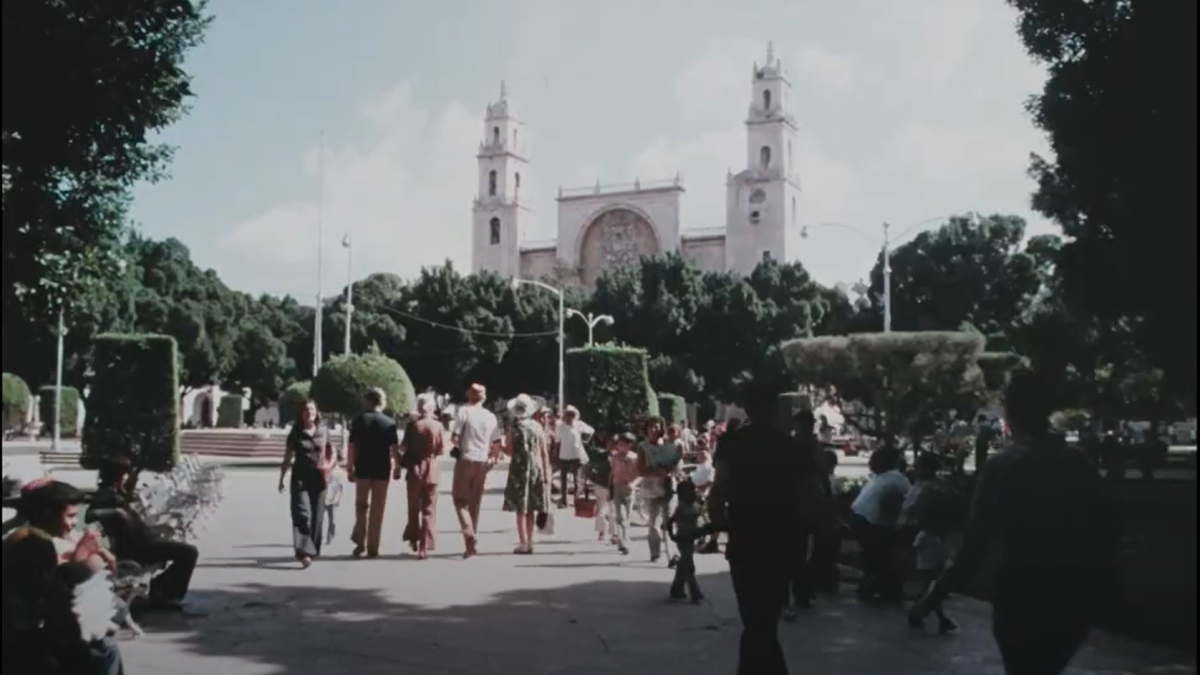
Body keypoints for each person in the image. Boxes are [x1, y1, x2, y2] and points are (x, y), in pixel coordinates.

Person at [911, 369, 1121, 675]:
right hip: (1074, 596)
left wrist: (932, 597)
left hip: (1022, 596)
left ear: (1010, 412)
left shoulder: (1003, 468)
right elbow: (1105, 532)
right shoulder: (1079, 464)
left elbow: (974, 548)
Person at [707, 381, 816, 675]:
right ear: (774, 408)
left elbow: (718, 491)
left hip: (744, 538)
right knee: (765, 618)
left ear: (747, 408)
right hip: (782, 540)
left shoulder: (732, 443)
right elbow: (808, 500)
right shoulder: (793, 447)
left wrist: (720, 526)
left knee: (754, 619)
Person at [3, 479, 126, 675]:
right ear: (47, 514)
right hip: (30, 638)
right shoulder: (33, 544)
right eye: (70, 516)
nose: (73, 524)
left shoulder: (33, 537)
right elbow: (48, 595)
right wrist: (81, 560)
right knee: (104, 650)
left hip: (37, 632)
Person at [87, 455, 198, 608]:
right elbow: (90, 514)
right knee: (189, 552)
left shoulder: (116, 493)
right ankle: (164, 592)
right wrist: (117, 512)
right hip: (138, 548)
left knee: (183, 548)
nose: (127, 478)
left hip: (142, 542)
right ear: (117, 475)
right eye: (125, 474)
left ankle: (162, 590)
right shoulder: (107, 495)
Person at [278, 398, 335, 568]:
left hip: (319, 478)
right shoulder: (295, 432)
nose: (309, 412)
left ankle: (313, 549)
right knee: (302, 514)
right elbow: (287, 456)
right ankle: (304, 552)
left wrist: (329, 466)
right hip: (300, 478)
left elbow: (332, 453)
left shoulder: (323, 431)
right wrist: (281, 478)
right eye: (306, 410)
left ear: (316, 413)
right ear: (301, 414)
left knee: (317, 517)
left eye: (312, 409)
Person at [849, 446, 912, 601]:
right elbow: (911, 501)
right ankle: (882, 584)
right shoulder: (896, 477)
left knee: (878, 554)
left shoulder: (881, 478)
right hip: (872, 524)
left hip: (858, 518)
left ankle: (878, 582)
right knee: (885, 554)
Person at [346, 387, 400, 558]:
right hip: (382, 470)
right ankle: (373, 547)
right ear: (382, 402)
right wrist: (398, 466)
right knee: (378, 508)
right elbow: (394, 449)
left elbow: (352, 446)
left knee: (361, 507)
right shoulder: (389, 423)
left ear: (368, 401)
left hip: (362, 468)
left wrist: (349, 467)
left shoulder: (359, 421)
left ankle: (360, 544)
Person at [451, 383, 502, 558]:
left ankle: (469, 535)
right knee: (475, 502)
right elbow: (496, 442)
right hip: (483, 461)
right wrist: (493, 458)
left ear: (468, 394)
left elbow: (455, 436)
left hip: (466, 458)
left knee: (460, 500)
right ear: (484, 397)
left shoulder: (463, 411)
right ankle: (472, 543)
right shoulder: (490, 416)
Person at [397, 393, 445, 559]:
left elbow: (403, 448)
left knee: (413, 508)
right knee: (429, 509)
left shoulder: (412, 426)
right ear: (432, 408)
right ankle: (424, 546)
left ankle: (413, 538)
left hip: (414, 470)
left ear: (418, 407)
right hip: (431, 469)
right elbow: (440, 450)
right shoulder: (438, 426)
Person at [502, 394, 551, 554]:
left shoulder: (515, 428)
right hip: (536, 468)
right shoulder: (537, 427)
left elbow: (509, 450)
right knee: (531, 507)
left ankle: (523, 542)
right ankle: (530, 541)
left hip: (519, 469)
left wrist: (501, 446)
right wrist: (546, 473)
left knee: (520, 508)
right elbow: (544, 452)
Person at [638, 417, 680, 563]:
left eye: (656, 427)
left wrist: (672, 472)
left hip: (667, 487)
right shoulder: (643, 447)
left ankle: (671, 554)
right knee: (653, 522)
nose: (654, 430)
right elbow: (641, 470)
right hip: (651, 488)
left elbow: (675, 465)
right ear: (647, 429)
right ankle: (655, 552)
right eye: (651, 427)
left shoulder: (668, 445)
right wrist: (656, 472)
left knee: (669, 522)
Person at [666, 479, 705, 603]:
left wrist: (702, 535)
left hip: (691, 537)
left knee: (684, 564)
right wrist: (671, 534)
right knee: (689, 566)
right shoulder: (681, 507)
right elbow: (670, 521)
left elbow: (702, 520)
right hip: (682, 538)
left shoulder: (695, 504)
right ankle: (695, 592)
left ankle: (676, 589)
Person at [608, 431, 641, 555]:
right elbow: (612, 474)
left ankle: (625, 538)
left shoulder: (634, 458)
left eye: (623, 444)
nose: (620, 446)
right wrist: (609, 489)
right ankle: (623, 542)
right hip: (617, 488)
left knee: (626, 517)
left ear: (629, 445)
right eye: (619, 444)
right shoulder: (615, 458)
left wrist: (633, 484)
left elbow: (640, 475)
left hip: (628, 490)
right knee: (619, 516)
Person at [555, 405, 594, 508]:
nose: (569, 418)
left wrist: (586, 440)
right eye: (567, 415)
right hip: (564, 455)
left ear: (574, 416)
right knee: (563, 480)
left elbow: (591, 430)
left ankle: (576, 500)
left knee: (577, 479)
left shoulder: (579, 425)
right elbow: (557, 439)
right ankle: (564, 500)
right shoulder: (560, 426)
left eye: (571, 415)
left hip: (576, 455)